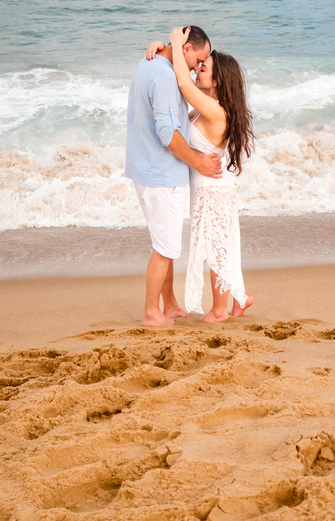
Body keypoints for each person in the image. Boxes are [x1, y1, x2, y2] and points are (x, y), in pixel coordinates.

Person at [146, 27, 254, 322]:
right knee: (218, 245)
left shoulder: (217, 112)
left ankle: (219, 310)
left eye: (203, 68)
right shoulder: (207, 109)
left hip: (213, 189)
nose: (197, 70)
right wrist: (163, 50)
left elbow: (182, 82)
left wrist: (175, 42)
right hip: (208, 187)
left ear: (216, 81)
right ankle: (240, 297)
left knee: (217, 249)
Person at [125, 25, 223, 327]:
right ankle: (151, 313)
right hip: (162, 175)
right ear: (186, 48)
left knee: (162, 242)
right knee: (165, 248)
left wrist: (161, 46)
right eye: (198, 60)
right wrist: (199, 163)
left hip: (144, 169)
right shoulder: (166, 77)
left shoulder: (148, 63)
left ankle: (169, 305)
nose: (196, 68)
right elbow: (169, 135)